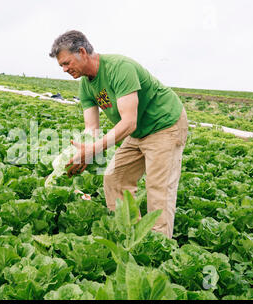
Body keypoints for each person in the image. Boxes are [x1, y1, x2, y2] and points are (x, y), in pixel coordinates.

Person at [49, 30, 188, 239]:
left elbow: (129, 122)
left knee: (158, 189)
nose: (65, 69)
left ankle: (159, 247)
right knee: (114, 178)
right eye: (61, 66)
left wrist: (94, 149)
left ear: (82, 52)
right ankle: (131, 234)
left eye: (67, 63)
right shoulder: (86, 86)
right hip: (138, 131)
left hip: (164, 125)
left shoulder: (118, 68)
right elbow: (91, 130)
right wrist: (82, 152)